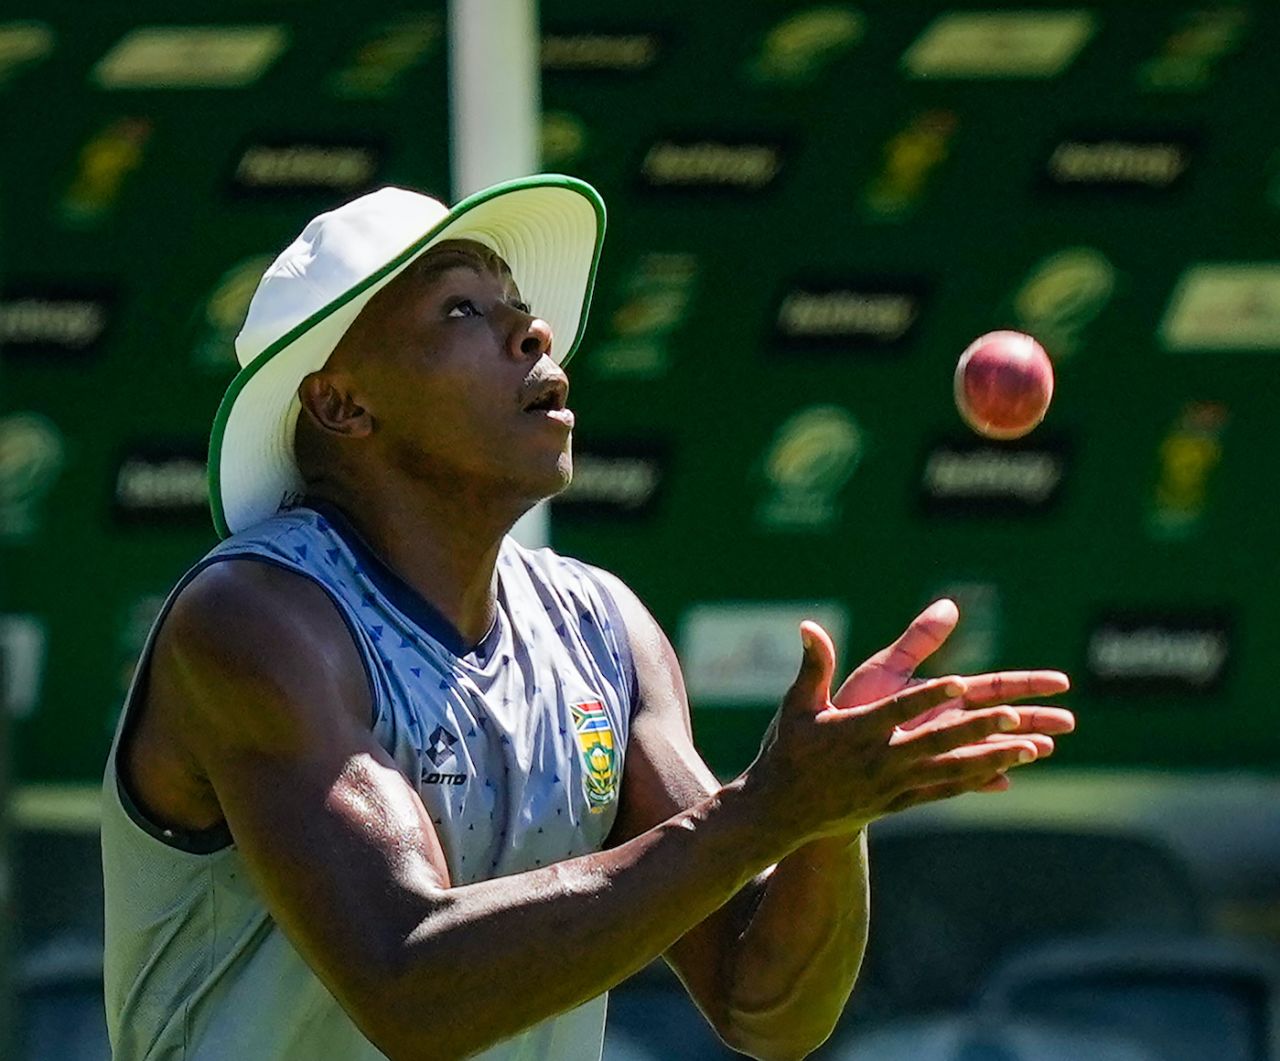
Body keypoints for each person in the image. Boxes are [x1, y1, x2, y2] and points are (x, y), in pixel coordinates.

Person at [101, 175, 1074, 1061]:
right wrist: (765, 808)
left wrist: (828, 817)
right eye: (461, 308)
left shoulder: (602, 626)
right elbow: (412, 984)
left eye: (518, 304)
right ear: (342, 403)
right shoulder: (255, 621)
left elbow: (763, 1003)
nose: (532, 332)